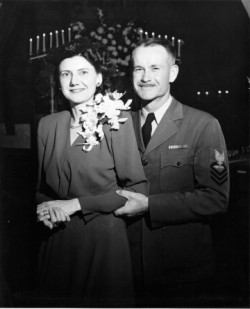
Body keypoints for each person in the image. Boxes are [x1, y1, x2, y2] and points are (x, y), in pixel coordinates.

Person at [115, 37, 230, 307]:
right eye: (138, 69)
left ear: (173, 73)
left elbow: (216, 198)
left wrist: (149, 206)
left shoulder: (203, 124)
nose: (145, 77)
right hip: (125, 266)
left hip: (180, 270)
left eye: (155, 68)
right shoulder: (118, 124)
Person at [35, 37, 148, 307]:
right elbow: (40, 190)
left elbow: (137, 190)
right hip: (57, 239)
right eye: (66, 73)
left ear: (99, 78)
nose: (74, 81)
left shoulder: (115, 122)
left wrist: (75, 204)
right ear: (58, 80)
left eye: (83, 72)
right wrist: (43, 209)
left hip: (103, 242)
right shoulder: (47, 125)